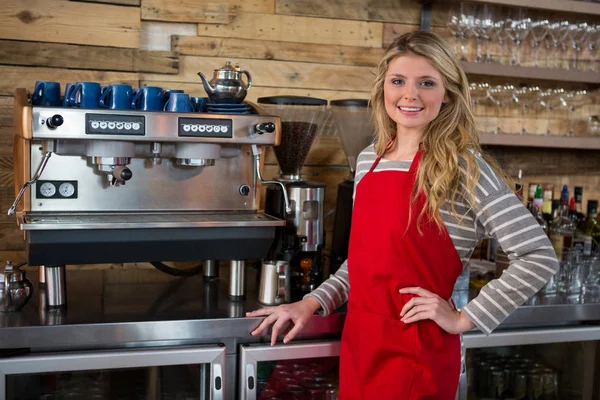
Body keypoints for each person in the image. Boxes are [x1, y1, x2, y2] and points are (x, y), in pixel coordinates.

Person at [246, 31, 559, 399]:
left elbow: (538, 257)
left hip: (418, 355)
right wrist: (312, 301)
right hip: (362, 346)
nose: (410, 95)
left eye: (426, 83)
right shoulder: (369, 161)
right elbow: (362, 264)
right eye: (398, 81)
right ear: (383, 90)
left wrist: (463, 318)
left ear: (448, 94)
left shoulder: (464, 167)